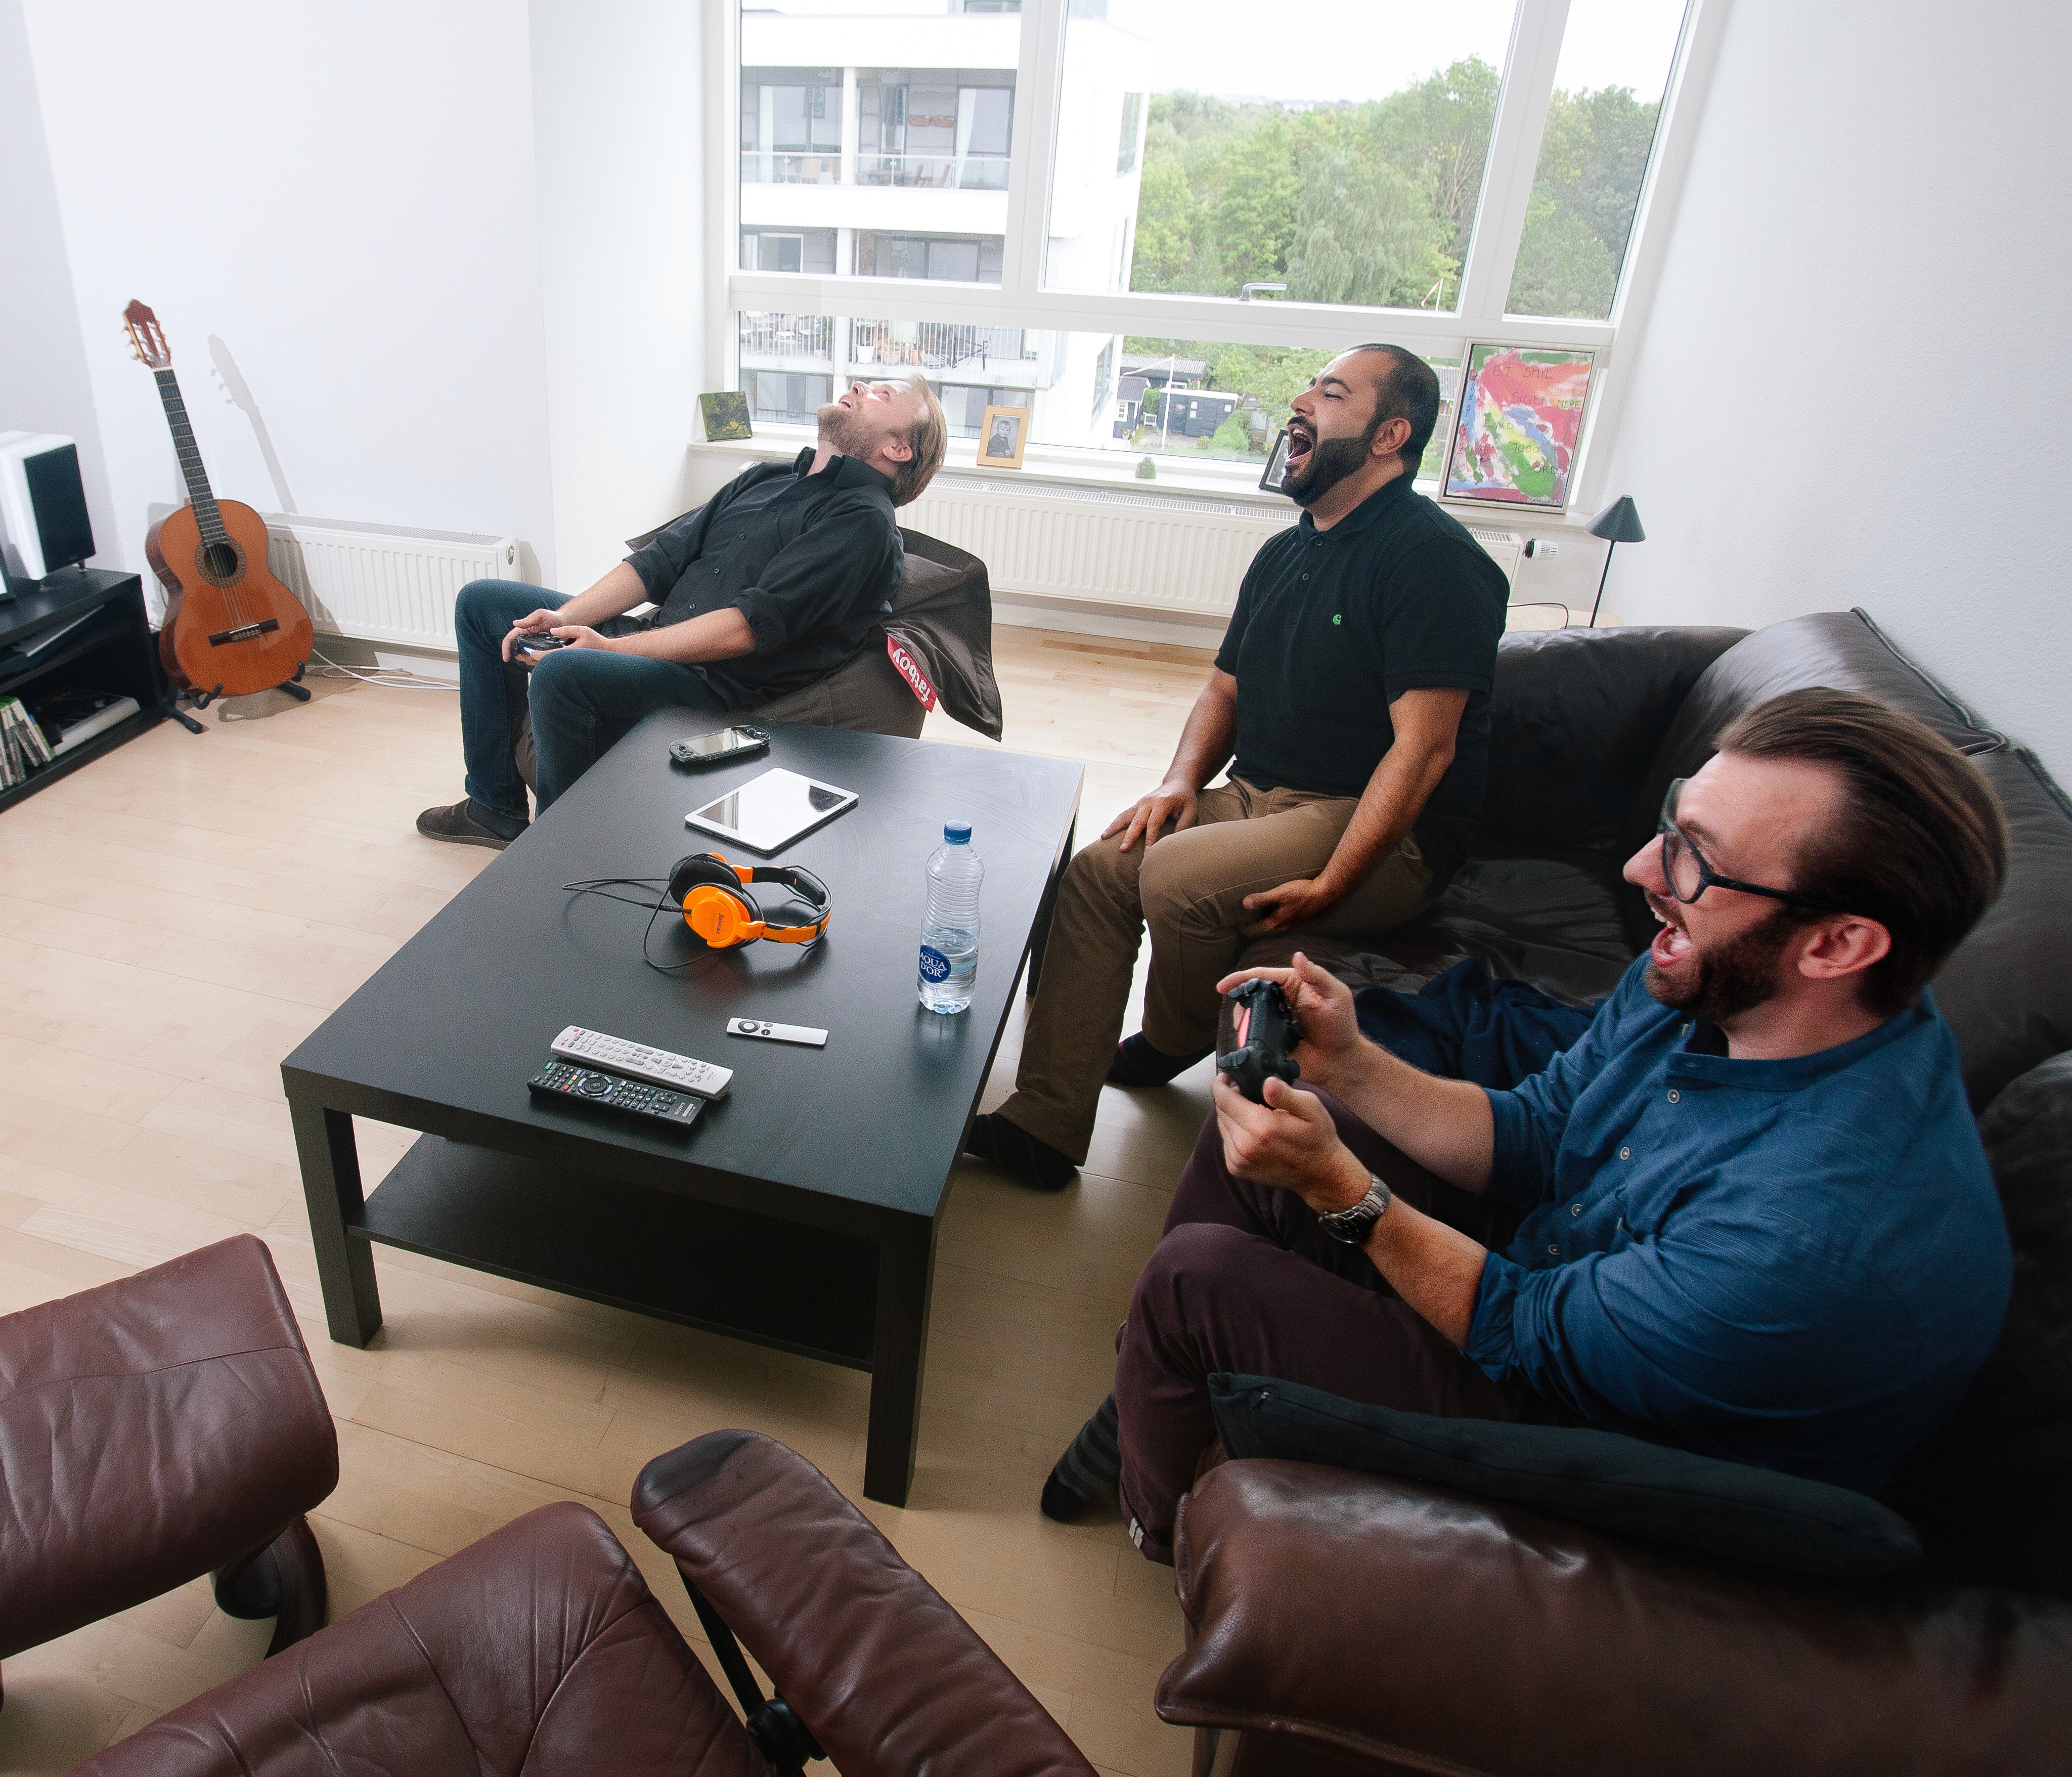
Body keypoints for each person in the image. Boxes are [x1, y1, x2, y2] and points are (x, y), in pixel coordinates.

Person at [1072, 689, 2012, 1553]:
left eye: (1696, 858)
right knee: (1271, 1115)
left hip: (1606, 1439)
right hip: (1568, 1287)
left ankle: (1157, 1518)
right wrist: (1349, 1063)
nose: (1642, 869)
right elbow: (1540, 1130)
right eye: (1672, 824)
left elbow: (1523, 1329)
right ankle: (1155, 1382)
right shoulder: (1716, 975)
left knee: (1196, 1279)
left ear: (1838, 944)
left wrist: (1338, 1187)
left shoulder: (1808, 1233)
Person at [965, 344, 1506, 1190]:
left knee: (1176, 876)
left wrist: (1335, 881)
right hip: (1258, 795)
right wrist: (1179, 782)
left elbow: (1423, 749)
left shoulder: (1433, 561)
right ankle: (1043, 1121)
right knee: (1102, 870)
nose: (1300, 401)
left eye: (1330, 393)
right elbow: (1224, 689)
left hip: (1375, 826)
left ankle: (1176, 1036)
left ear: (1388, 436)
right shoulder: (1285, 552)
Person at [415, 376, 947, 847]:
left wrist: (611, 649)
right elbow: (659, 562)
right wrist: (566, 616)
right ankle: (493, 808)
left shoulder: (862, 523)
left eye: (882, 394)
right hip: (658, 637)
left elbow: (745, 628)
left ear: (898, 448)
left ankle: (556, 860)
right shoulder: (766, 478)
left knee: (563, 674)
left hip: (714, 687)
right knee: (482, 604)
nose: (857, 387)